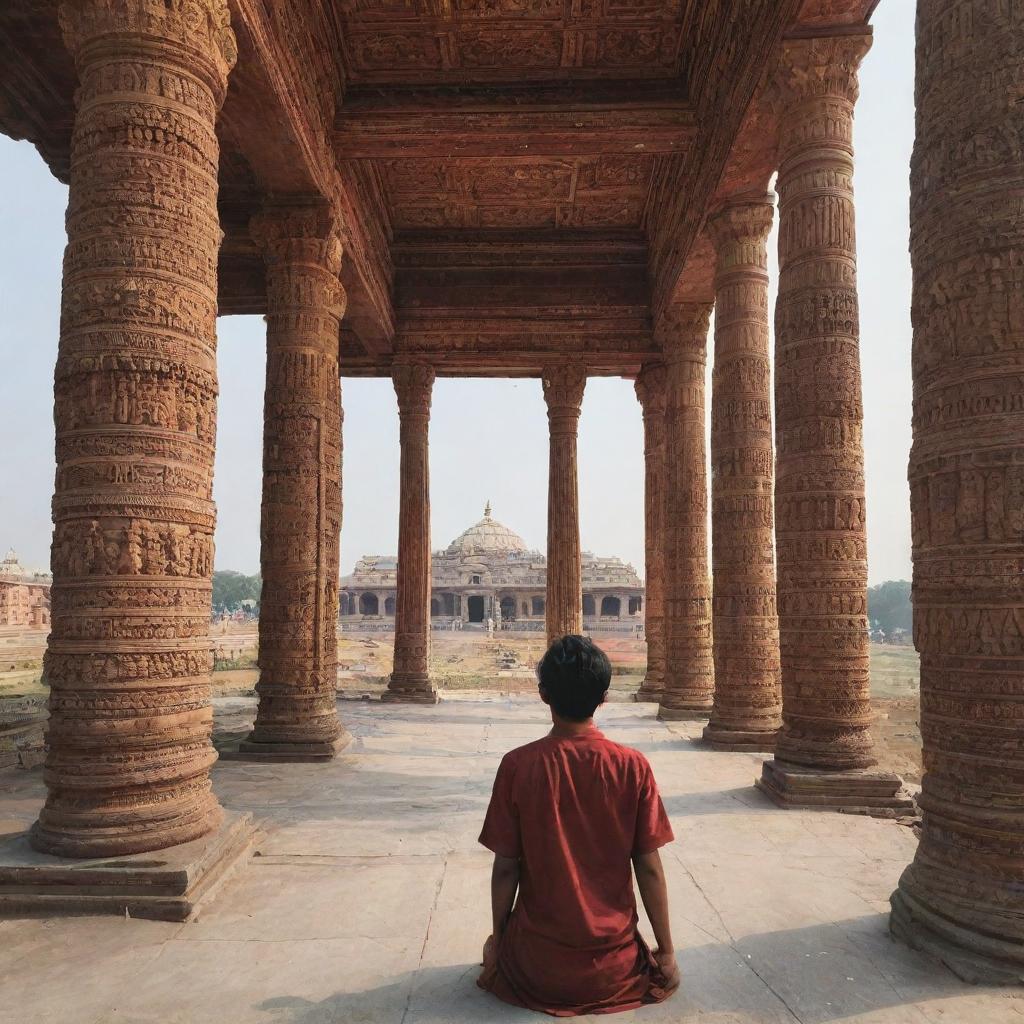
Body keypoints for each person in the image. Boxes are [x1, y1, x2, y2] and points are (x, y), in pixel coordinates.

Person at [477, 634, 679, 1016]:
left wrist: (498, 944)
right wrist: (666, 952)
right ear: (603, 697)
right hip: (614, 969)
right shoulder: (631, 765)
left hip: (534, 967)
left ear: (543, 695)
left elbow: (506, 867)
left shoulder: (518, 766)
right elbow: (649, 867)